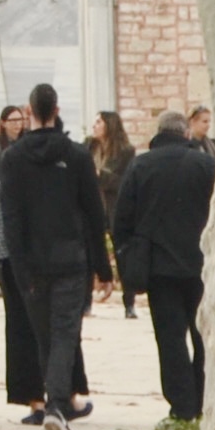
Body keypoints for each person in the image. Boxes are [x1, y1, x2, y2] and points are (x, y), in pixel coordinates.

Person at [0, 83, 113, 430]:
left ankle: (55, 401)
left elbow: (11, 218)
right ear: (57, 110)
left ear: (29, 112)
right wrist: (104, 269)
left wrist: (18, 265)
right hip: (70, 257)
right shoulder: (76, 155)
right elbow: (94, 214)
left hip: (30, 261)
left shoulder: (12, 158)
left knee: (44, 333)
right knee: (65, 331)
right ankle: (58, 404)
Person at [109, 111, 212, 421]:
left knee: (170, 340)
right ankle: (204, 397)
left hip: (159, 267)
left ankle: (181, 405)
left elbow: (121, 219)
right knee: (204, 335)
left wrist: (127, 257)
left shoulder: (141, 165)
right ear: (186, 134)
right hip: (202, 266)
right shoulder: (206, 165)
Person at [90, 111, 137, 306]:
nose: (95, 125)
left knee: (121, 253)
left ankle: (129, 299)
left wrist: (101, 175)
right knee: (92, 250)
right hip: (93, 206)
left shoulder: (125, 151)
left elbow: (124, 182)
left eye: (99, 122)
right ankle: (92, 294)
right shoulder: (89, 147)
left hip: (115, 208)